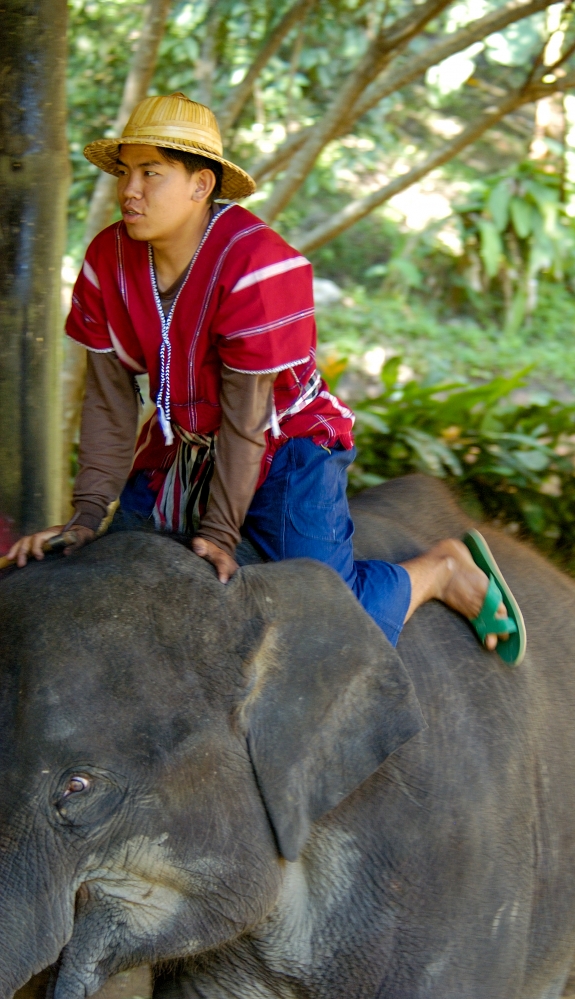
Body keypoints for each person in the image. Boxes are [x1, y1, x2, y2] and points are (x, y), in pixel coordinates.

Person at [8, 92, 518, 654]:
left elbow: (249, 421)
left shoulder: (258, 265)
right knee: (112, 579)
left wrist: (219, 532)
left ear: (201, 186)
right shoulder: (108, 259)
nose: (129, 190)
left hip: (286, 443)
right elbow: (109, 401)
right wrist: (84, 517)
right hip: (184, 444)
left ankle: (439, 571)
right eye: (126, 171)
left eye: (151, 173)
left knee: (330, 617)